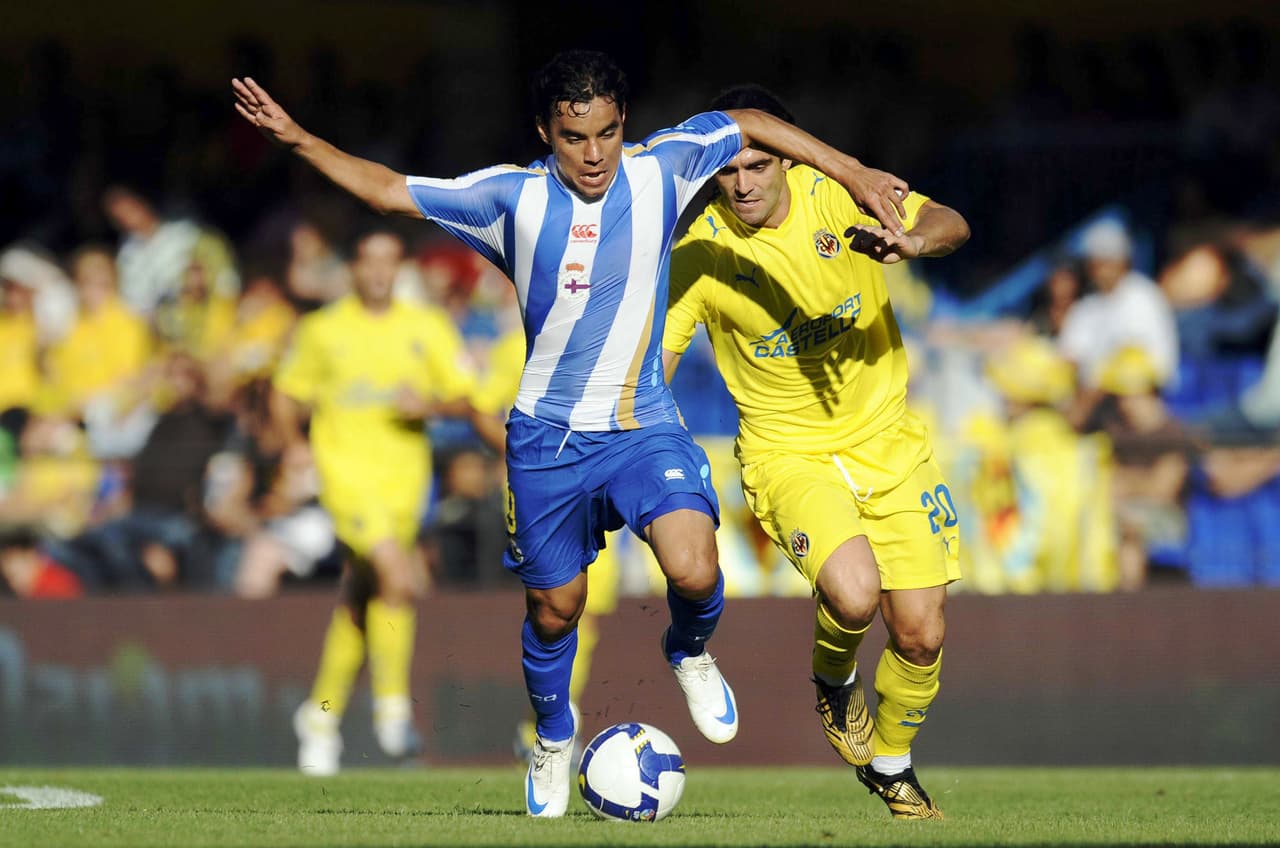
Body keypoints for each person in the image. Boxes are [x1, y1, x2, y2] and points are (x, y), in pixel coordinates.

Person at [233, 50, 909, 816]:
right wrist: (296, 138)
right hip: (548, 441)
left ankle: (687, 651)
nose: (594, 155)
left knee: (693, 568)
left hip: (640, 423)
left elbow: (750, 121)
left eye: (608, 134)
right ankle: (554, 738)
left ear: (625, 124)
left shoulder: (664, 169)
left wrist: (851, 172)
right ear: (545, 133)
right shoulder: (507, 200)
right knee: (557, 607)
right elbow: (389, 192)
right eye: (574, 137)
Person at [664, 85, 969, 819]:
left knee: (921, 634)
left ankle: (891, 765)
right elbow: (655, 367)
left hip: (889, 442)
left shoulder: (839, 198)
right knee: (856, 593)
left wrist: (915, 241)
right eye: (729, 171)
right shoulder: (699, 251)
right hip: (787, 453)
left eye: (758, 166)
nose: (742, 184)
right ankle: (834, 682)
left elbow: (948, 220)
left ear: (790, 162)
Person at [272, 229, 475, 776]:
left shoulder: (426, 327)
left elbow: (467, 396)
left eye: (390, 260)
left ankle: (319, 715)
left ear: (400, 268)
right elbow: (285, 394)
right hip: (346, 479)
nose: (380, 272)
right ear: (354, 268)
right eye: (370, 260)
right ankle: (392, 709)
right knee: (397, 575)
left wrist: (428, 404)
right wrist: (294, 449)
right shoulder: (322, 329)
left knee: (363, 598)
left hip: (404, 485)